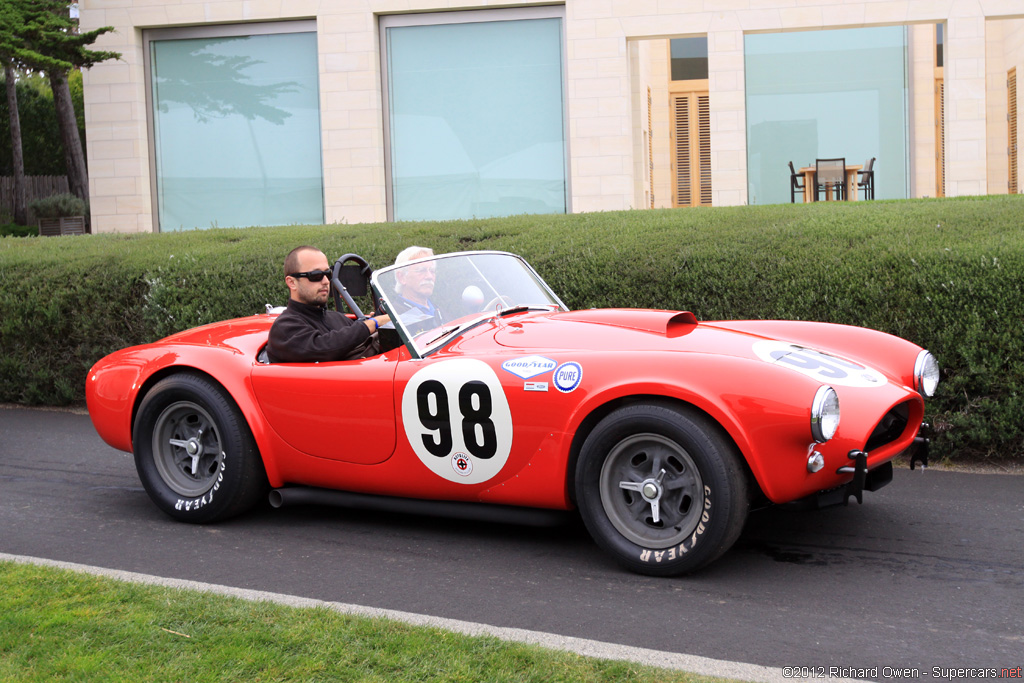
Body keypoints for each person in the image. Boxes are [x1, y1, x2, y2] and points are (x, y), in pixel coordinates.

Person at [266, 246, 390, 363]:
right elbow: (322, 348)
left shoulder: (338, 319)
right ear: (292, 282)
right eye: (316, 275)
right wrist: (374, 323)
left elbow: (360, 341)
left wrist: (384, 319)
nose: (326, 281)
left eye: (328, 274)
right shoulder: (284, 328)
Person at [390, 246, 444, 335]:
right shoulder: (395, 316)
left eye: (432, 271)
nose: (429, 276)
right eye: (421, 271)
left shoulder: (439, 310)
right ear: (402, 277)